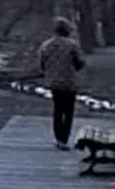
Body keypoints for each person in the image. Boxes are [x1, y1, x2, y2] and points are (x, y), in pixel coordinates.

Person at [35, 18, 85, 148]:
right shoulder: (72, 45)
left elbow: (41, 65)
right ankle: (64, 138)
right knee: (68, 111)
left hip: (54, 83)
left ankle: (58, 139)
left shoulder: (46, 46)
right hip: (70, 82)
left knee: (57, 110)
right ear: (67, 30)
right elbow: (79, 63)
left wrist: (51, 71)